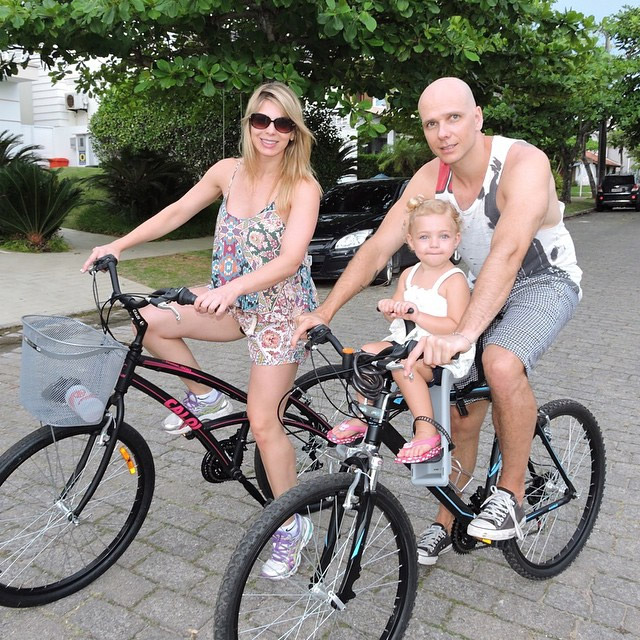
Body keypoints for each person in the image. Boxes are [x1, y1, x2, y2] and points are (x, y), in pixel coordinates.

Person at [293, 76, 582, 566]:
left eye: (453, 117)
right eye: (431, 123)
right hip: (475, 287)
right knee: (457, 412)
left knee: (501, 363)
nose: (443, 132)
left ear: (477, 117)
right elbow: (379, 247)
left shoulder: (521, 163)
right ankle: (450, 520)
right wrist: (325, 309)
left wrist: (468, 333)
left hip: (542, 281)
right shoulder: (431, 178)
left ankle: (508, 496)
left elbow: (509, 250)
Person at [82, 81, 321, 579]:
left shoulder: (303, 187)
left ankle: (292, 523)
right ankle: (204, 399)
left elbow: (291, 259)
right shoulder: (227, 173)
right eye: (261, 120)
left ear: (294, 131)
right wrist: (118, 245)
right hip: (228, 304)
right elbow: (176, 212)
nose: (270, 132)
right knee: (146, 317)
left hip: (280, 313)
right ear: (248, 123)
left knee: (263, 421)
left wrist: (233, 289)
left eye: (281, 123)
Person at [327, 196, 473, 465]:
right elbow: (396, 312)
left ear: (456, 240)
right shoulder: (408, 274)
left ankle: (427, 431)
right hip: (406, 341)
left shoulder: (454, 280)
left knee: (403, 367)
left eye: (443, 236)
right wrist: (389, 307)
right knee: (366, 355)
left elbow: (456, 325)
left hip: (440, 350)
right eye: (425, 237)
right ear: (411, 241)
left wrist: (417, 314)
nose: (433, 244)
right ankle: (364, 415)